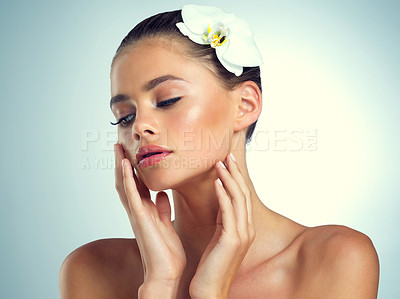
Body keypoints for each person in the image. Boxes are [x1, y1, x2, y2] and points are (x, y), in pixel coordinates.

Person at [59, 4, 380, 298]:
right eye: (124, 116)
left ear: (245, 105)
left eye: (168, 99)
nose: (139, 127)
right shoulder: (91, 271)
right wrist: (160, 283)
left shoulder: (336, 259)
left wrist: (211, 291)